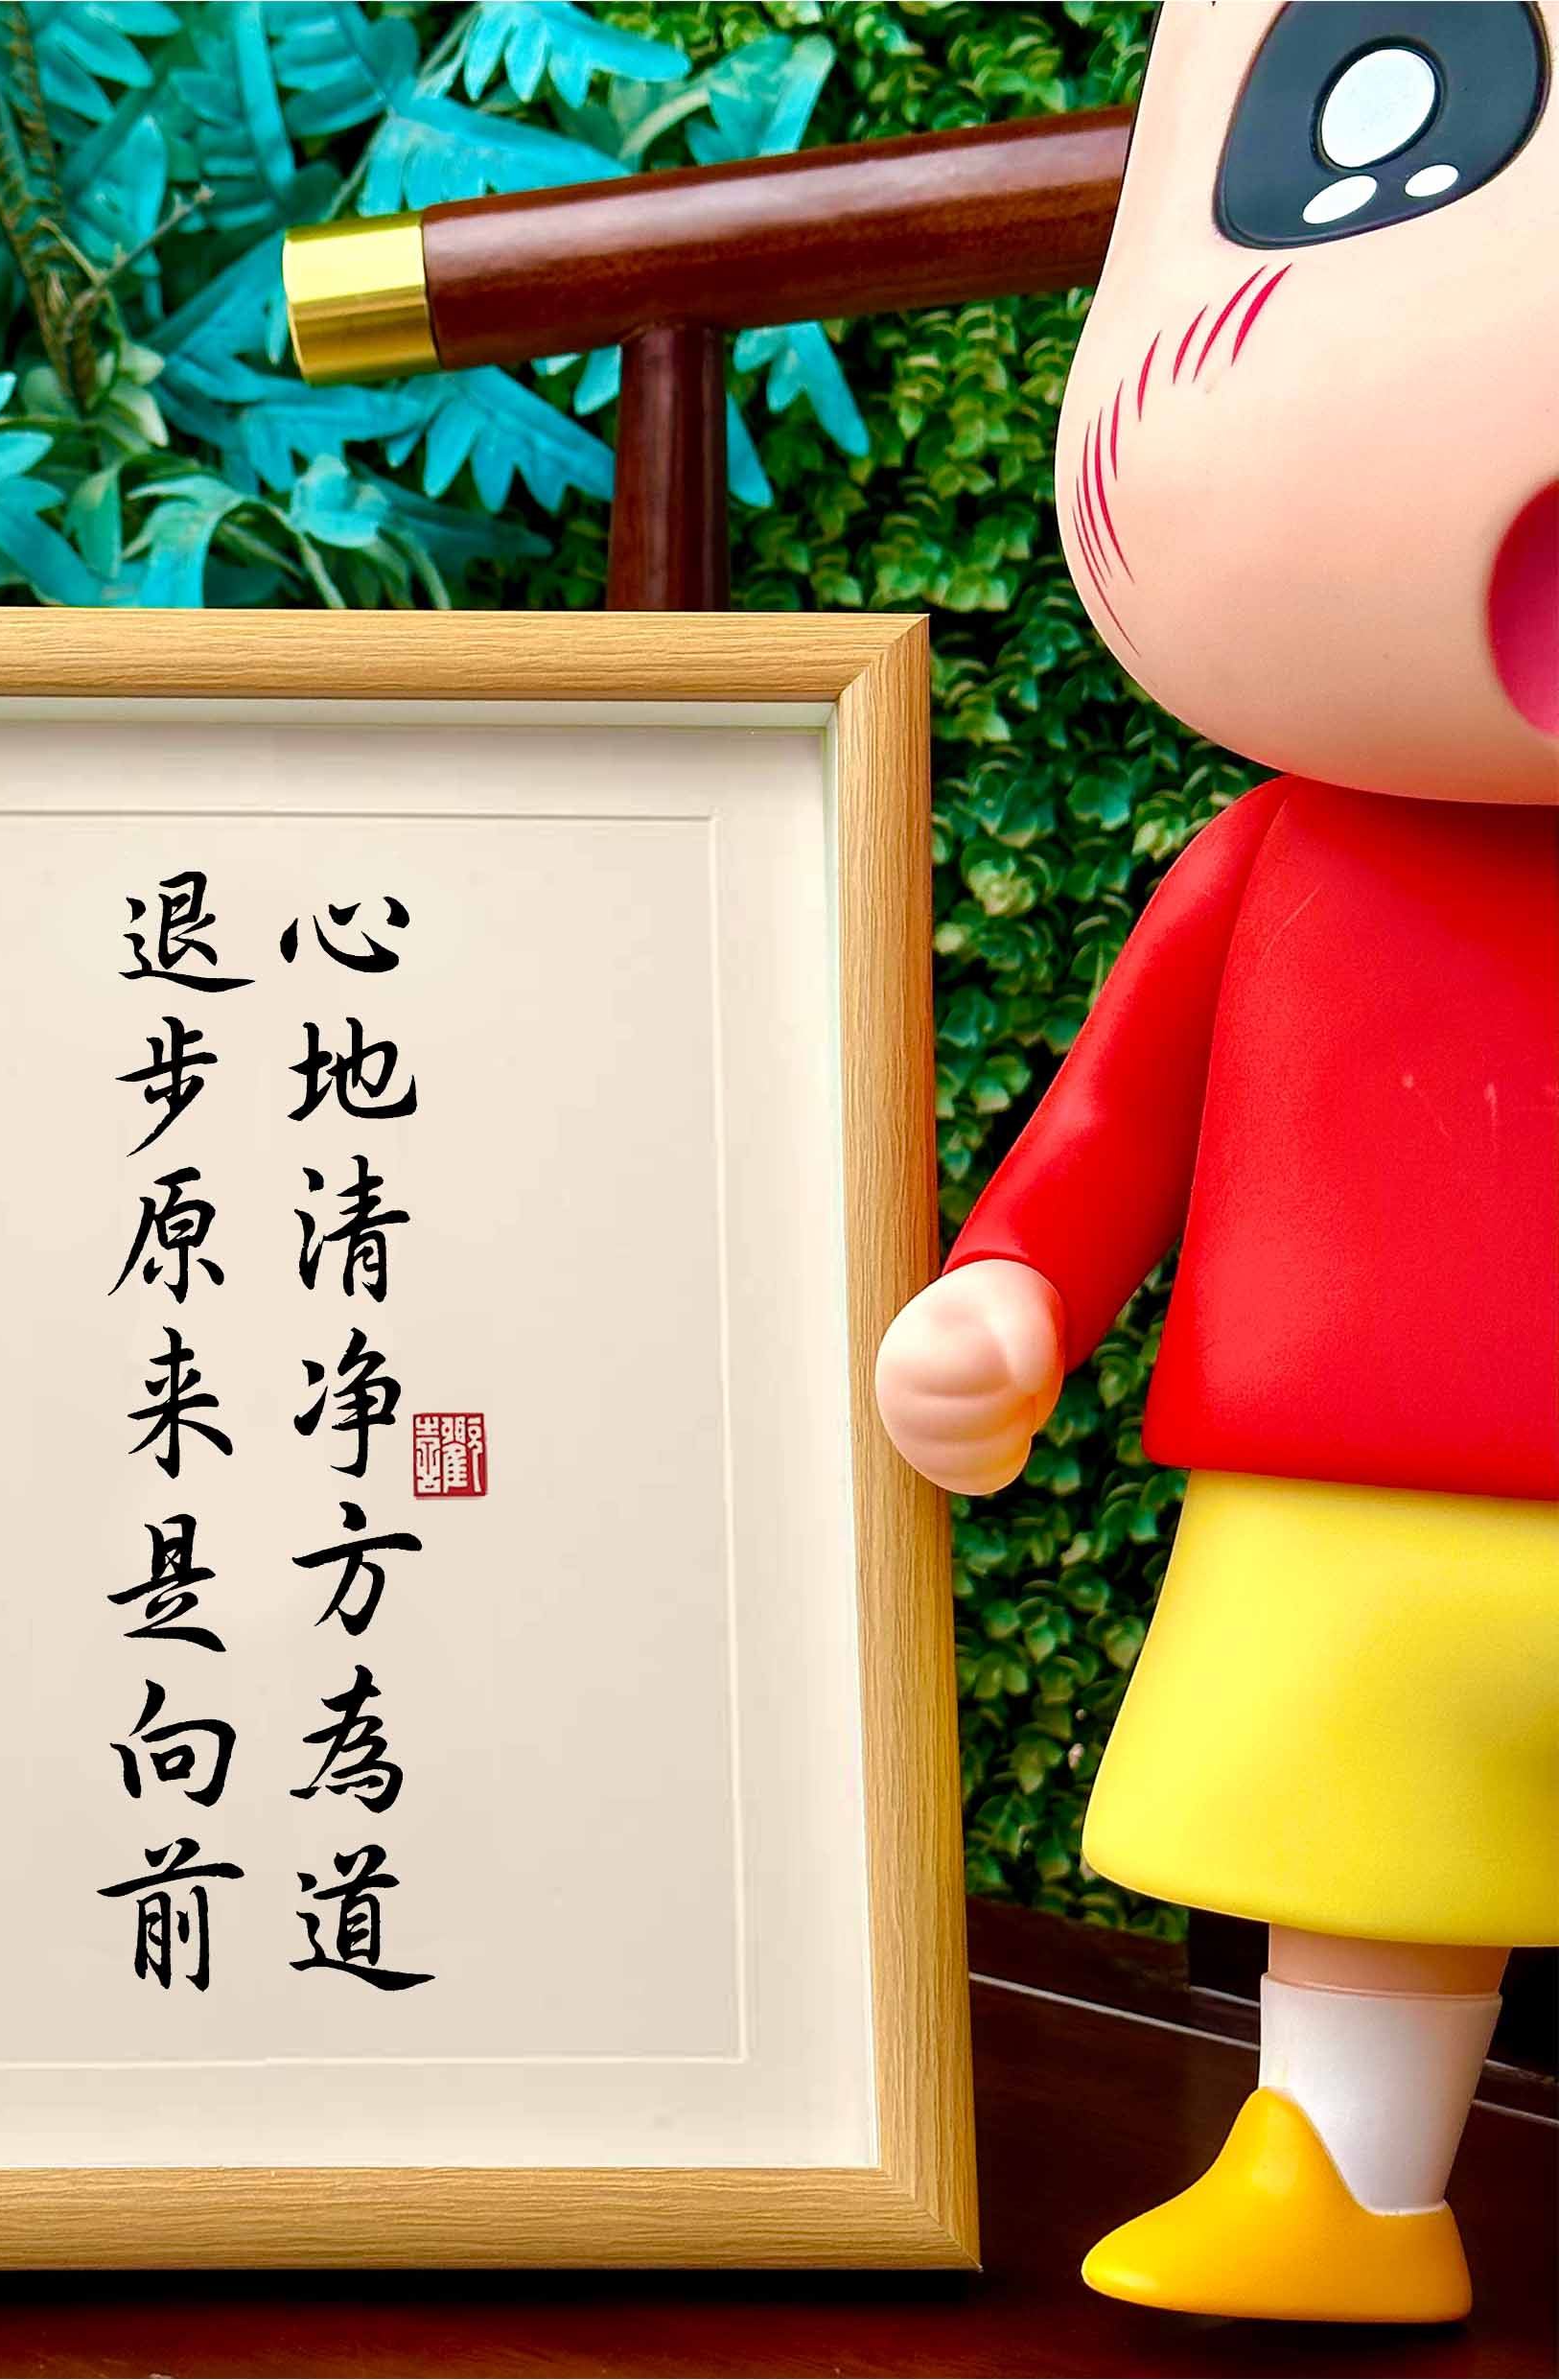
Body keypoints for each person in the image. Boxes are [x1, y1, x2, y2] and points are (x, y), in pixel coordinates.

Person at [875, 0, 1557, 2324]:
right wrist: (1007, 1295)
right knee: (1356, 1841)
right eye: (1369, 137)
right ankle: (1348, 2174)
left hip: (1353, 1493)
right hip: (1345, 1511)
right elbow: (1105, 1129)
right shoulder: (1273, 867)